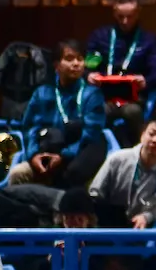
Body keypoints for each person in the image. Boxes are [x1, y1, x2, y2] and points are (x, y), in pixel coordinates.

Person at [11, 41, 109, 192]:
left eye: (80, 59)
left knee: (75, 177)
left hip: (75, 157)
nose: (76, 64)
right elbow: (30, 128)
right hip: (44, 156)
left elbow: (90, 134)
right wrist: (34, 155)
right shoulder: (42, 93)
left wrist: (64, 156)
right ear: (56, 65)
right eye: (69, 59)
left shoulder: (92, 94)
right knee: (18, 174)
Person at [85, 0, 156, 136]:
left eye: (129, 17)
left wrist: (145, 81)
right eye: (120, 17)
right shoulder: (100, 37)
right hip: (104, 96)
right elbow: (88, 66)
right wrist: (89, 75)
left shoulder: (149, 41)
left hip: (134, 98)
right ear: (114, 13)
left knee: (131, 112)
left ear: (138, 14)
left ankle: (137, 151)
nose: (125, 21)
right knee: (98, 112)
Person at [90, 119, 156, 230]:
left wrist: (147, 217)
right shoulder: (117, 159)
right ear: (142, 136)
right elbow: (94, 193)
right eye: (151, 134)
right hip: (111, 225)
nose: (155, 140)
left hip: (148, 227)